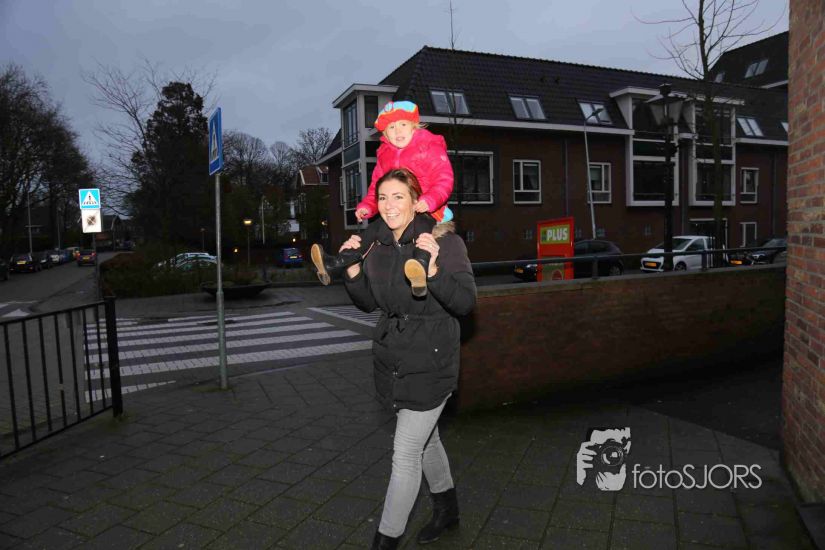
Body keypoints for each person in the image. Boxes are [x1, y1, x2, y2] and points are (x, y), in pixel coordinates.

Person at [341, 168, 476, 549]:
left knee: (405, 453)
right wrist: (352, 269)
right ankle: (448, 511)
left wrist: (433, 271)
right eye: (382, 197)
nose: (388, 206)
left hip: (433, 359)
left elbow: (466, 302)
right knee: (426, 441)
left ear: (417, 201)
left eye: (398, 196)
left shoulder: (443, 242)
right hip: (394, 361)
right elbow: (369, 303)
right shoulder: (377, 245)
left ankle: (385, 541)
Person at [311, 100, 454, 297]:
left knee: (422, 231)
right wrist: (367, 206)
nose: (398, 131)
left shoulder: (428, 146)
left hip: (428, 208)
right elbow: (376, 188)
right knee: (370, 232)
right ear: (385, 134)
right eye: (391, 128)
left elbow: (444, 178)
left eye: (403, 124)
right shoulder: (384, 155)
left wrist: (430, 200)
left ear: (414, 126)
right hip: (400, 209)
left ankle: (420, 267)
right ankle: (334, 264)